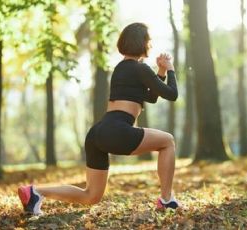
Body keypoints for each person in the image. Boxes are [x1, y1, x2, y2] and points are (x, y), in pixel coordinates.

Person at [17, 22, 179, 215]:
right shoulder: (140, 69)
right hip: (118, 130)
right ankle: (167, 200)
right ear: (141, 42)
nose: (150, 44)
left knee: (91, 196)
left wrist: (159, 71)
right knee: (167, 141)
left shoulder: (122, 69)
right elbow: (172, 94)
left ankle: (35, 192)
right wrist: (170, 69)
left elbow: (151, 97)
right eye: (149, 40)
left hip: (97, 133)